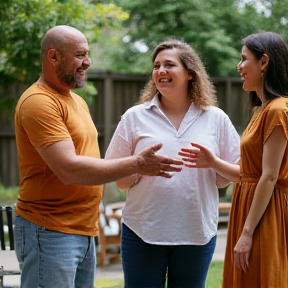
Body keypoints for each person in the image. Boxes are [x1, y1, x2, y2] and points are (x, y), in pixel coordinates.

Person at [13, 25, 183, 288]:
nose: (87, 62)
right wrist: (137, 164)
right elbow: (69, 169)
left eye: (88, 54)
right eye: (80, 55)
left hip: (82, 230)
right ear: (53, 56)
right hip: (49, 231)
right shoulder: (39, 102)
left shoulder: (76, 101)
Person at [105, 39, 240, 288]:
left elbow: (238, 172)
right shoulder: (135, 117)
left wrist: (212, 162)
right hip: (143, 231)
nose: (160, 71)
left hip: (197, 234)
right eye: (156, 66)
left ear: (190, 73)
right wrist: (138, 165)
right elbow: (120, 181)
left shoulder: (215, 118)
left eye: (169, 65)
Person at [179, 31, 288, 288]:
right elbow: (249, 173)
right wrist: (212, 162)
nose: (239, 67)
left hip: (265, 213)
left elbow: (269, 177)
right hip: (249, 205)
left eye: (244, 59)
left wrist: (247, 233)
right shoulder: (262, 110)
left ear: (264, 62)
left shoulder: (278, 110)